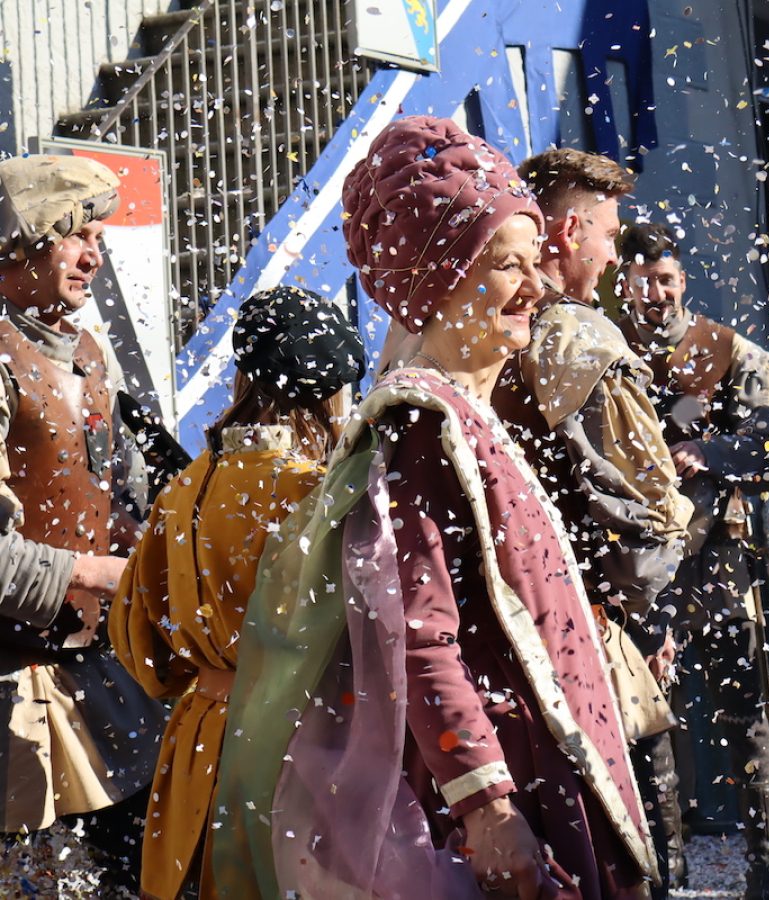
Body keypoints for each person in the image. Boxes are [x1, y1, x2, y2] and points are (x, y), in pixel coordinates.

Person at [214, 116, 658, 900]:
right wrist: (486, 805)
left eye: (536, 263)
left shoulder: (465, 413)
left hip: (544, 759)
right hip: (512, 777)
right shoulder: (424, 421)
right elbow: (417, 633)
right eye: (508, 265)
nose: (539, 286)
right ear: (442, 276)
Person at [109, 285, 365, 900]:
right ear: (330, 393)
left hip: (196, 745)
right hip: (292, 751)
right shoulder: (318, 494)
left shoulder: (184, 488)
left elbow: (138, 646)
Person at [491, 148, 693, 897]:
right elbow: (651, 513)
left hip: (492, 634)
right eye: (609, 234)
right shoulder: (579, 337)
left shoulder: (478, 326)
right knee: (609, 848)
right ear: (571, 231)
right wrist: (638, 617)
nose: (615, 254)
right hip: (574, 631)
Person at [618, 223, 769, 900]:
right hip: (638, 561)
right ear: (625, 280)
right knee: (647, 717)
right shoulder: (606, 348)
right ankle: (665, 872)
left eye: (666, 278)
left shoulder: (720, 348)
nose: (656, 291)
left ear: (682, 280)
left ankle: (767, 869)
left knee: (743, 709)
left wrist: (717, 453)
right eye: (643, 278)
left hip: (716, 552)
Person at [0, 154, 165, 888]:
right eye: (76, 234)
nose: (94, 253)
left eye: (99, 234)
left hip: (90, 666)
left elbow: (117, 503)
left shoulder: (86, 354)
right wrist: (97, 571)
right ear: (22, 242)